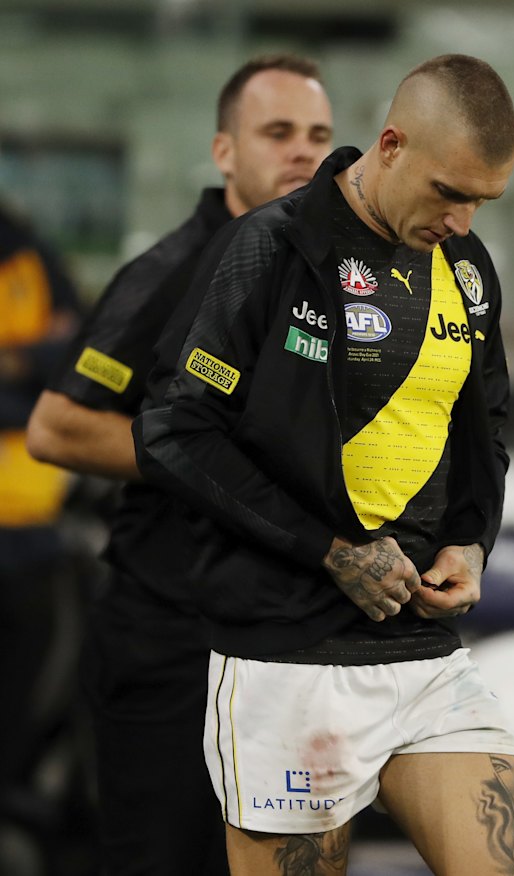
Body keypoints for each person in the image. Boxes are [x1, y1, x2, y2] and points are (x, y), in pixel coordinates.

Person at [127, 54, 514, 875]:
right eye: (449, 192)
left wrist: (471, 542)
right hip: (285, 653)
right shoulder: (272, 248)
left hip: (422, 654)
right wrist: (331, 549)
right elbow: (175, 430)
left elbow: (485, 426)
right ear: (389, 144)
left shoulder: (465, 267)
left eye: (481, 202)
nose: (462, 220)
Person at [26, 54, 334, 876]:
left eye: (318, 136)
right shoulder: (168, 272)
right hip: (167, 643)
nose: (302, 153)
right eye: (277, 133)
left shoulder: (329, 280)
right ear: (224, 153)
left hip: (278, 643)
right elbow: (56, 429)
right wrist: (202, 462)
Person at [0, 201, 82, 857]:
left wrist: (20, 366)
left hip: (31, 525)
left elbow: (72, 356)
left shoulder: (31, 254)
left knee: (31, 674)